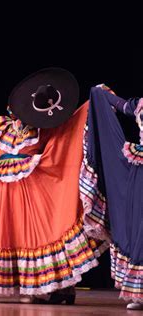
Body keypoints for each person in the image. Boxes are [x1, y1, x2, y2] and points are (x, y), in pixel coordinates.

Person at [0, 68, 106, 303]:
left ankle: (31, 288)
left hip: (30, 191)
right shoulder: (3, 125)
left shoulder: (44, 130)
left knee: (27, 237)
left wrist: (92, 104)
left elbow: (68, 138)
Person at [80, 85, 142, 310]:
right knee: (138, 227)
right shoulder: (139, 104)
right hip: (140, 173)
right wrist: (100, 94)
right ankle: (139, 293)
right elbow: (120, 106)